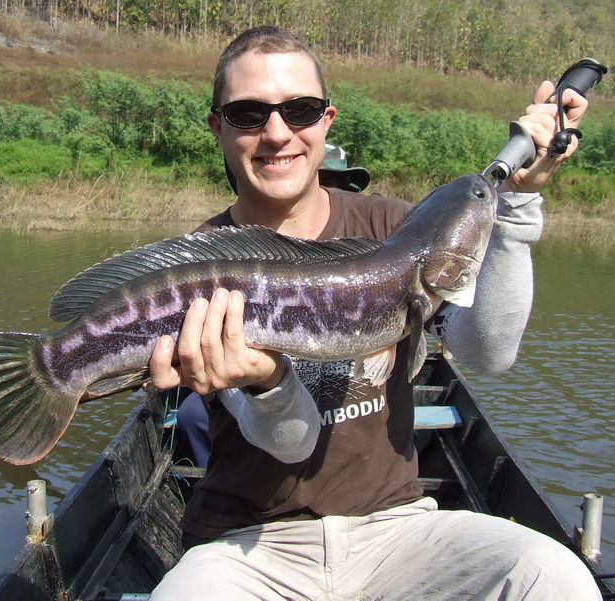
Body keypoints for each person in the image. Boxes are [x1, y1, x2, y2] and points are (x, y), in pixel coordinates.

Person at [147, 25, 600, 601]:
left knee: (549, 573)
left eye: (301, 110)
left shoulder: (393, 228)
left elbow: (486, 353)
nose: (277, 133)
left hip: (396, 529)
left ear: (327, 119)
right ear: (218, 127)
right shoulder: (202, 269)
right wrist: (265, 381)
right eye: (248, 114)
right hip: (250, 547)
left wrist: (515, 204)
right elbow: (292, 442)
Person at [176, 141, 372, 468]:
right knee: (191, 413)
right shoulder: (223, 260)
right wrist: (267, 379)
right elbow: (293, 444)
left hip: (382, 495)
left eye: (334, 187)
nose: (318, 194)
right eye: (314, 181)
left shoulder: (379, 235)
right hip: (263, 477)